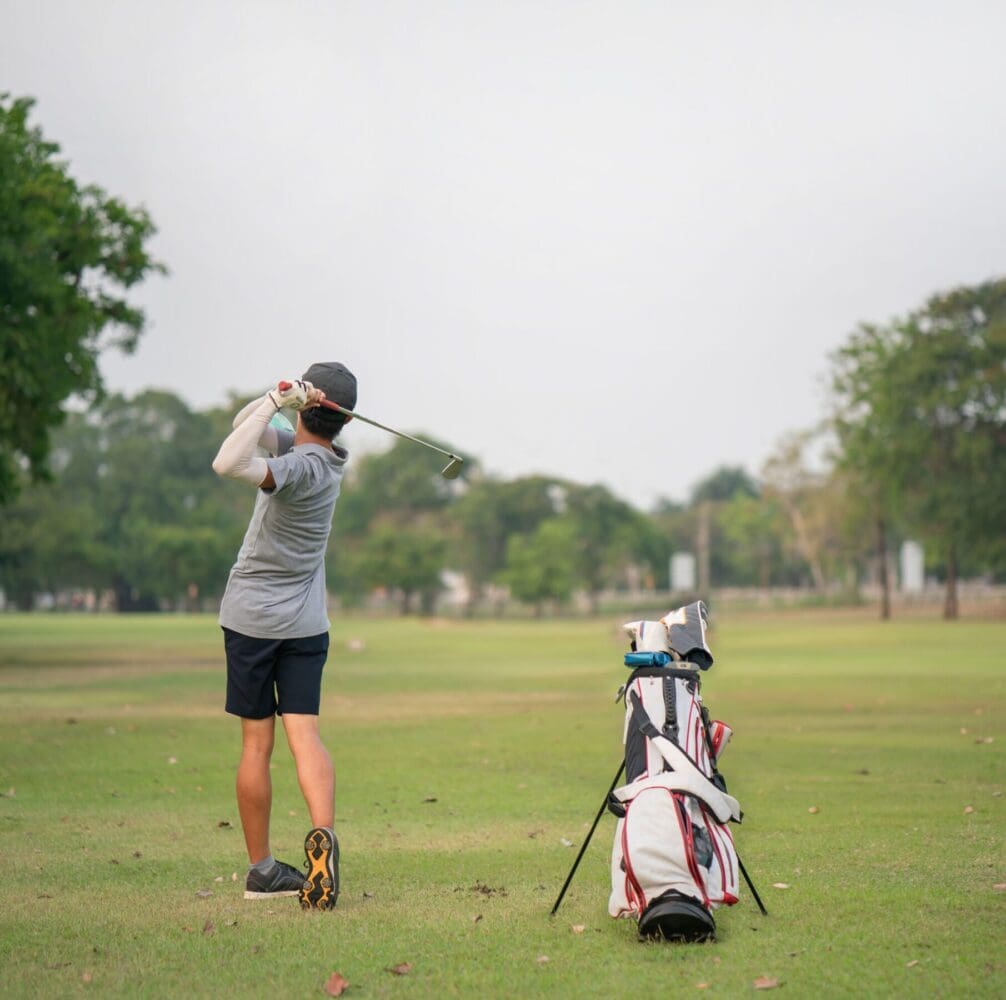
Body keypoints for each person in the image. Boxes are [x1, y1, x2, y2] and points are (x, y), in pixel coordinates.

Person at [211, 362, 357, 911]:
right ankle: (323, 840)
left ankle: (262, 870)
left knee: (256, 744)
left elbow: (227, 460)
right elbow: (240, 425)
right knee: (306, 736)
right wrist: (275, 402)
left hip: (251, 620)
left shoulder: (297, 467)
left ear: (309, 406)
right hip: (305, 625)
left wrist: (278, 400)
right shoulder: (333, 460)